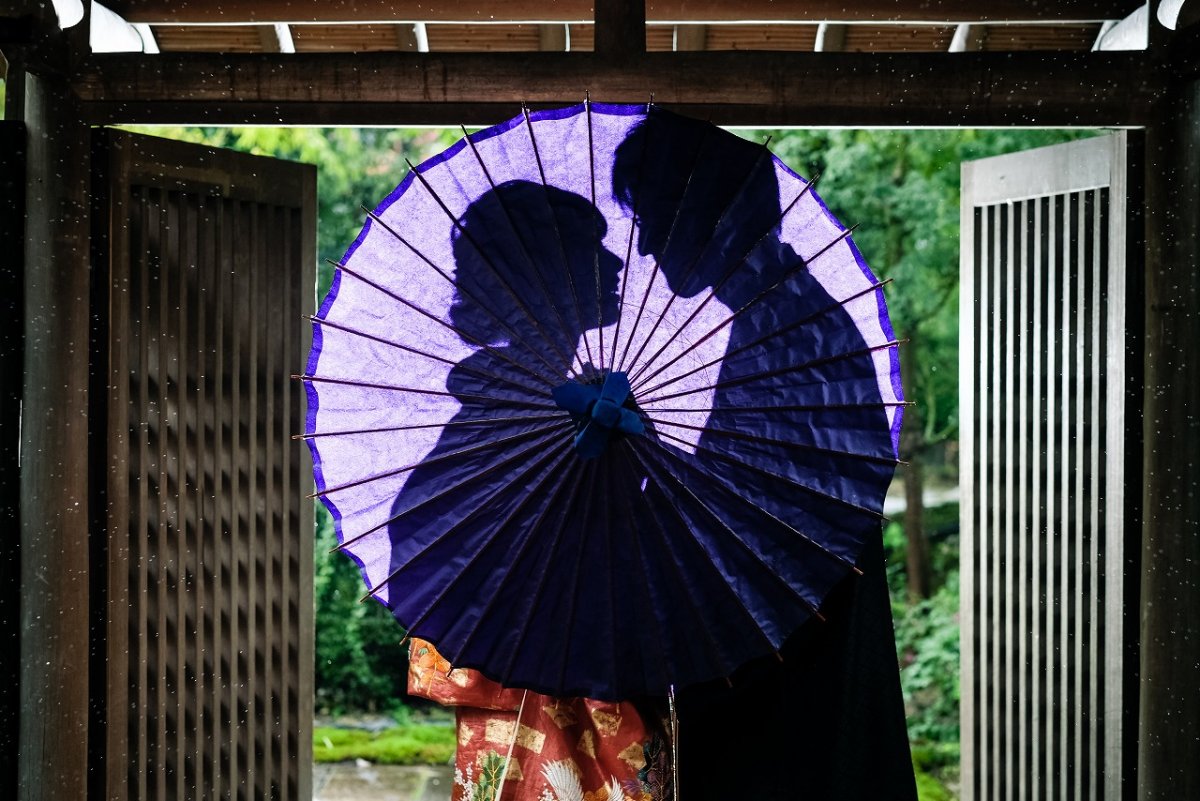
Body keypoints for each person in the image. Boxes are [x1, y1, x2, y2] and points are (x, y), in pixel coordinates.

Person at [612, 108, 917, 800]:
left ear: (710, 216)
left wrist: (642, 457)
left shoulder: (792, 336)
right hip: (793, 660)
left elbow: (756, 526)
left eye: (654, 220)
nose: (650, 248)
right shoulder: (783, 318)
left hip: (790, 671)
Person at [386, 180, 670, 801]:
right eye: (595, 250)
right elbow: (420, 533)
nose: (617, 263)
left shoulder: (574, 397)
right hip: (533, 670)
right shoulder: (510, 409)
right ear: (549, 276)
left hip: (598, 659)